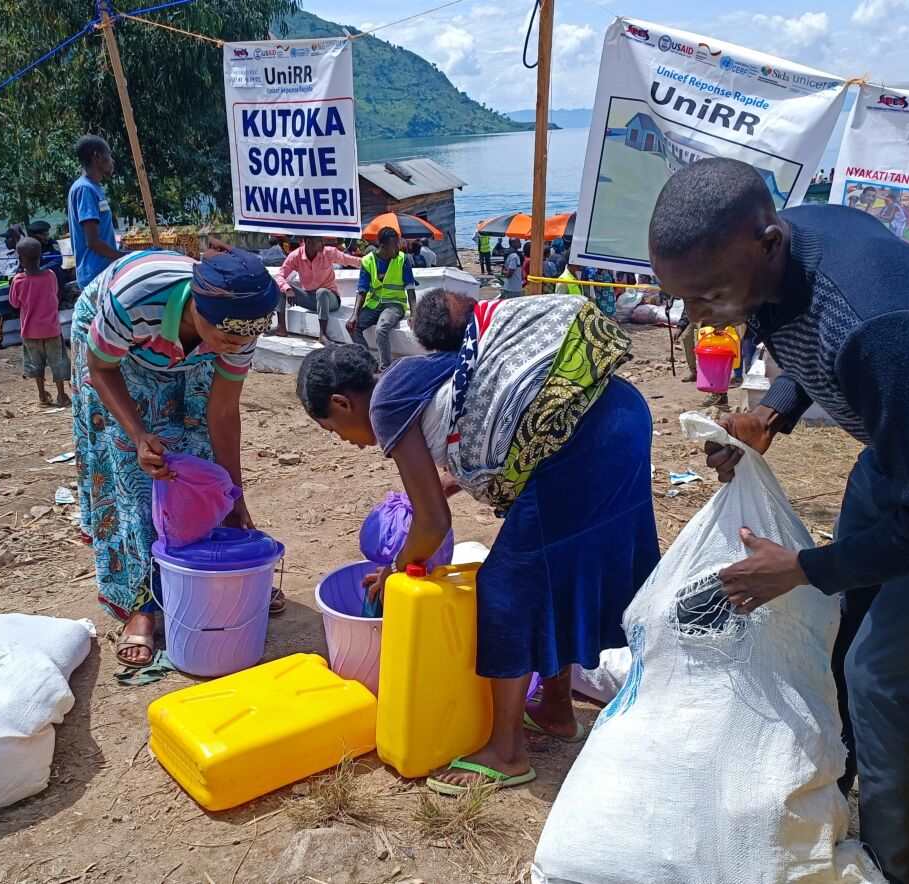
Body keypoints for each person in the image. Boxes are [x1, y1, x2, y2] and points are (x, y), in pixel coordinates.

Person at [648, 157, 909, 884]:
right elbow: (809, 336)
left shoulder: (878, 325)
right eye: (682, 300)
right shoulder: (796, 249)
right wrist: (771, 411)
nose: (701, 317)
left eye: (711, 295)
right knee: (843, 629)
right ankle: (839, 792)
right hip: (905, 447)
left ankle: (892, 861)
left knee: (881, 674)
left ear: (768, 242)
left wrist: (803, 568)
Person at [296, 289, 658, 796]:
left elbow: (432, 523)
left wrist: (399, 566)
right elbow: (484, 420)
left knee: (505, 587)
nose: (347, 441)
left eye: (334, 430)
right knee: (557, 572)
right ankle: (555, 709)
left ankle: (506, 753)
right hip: (618, 415)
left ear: (340, 403)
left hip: (584, 440)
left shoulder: (386, 405)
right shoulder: (427, 371)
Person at [72, 243, 283, 667]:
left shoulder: (236, 331)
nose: (237, 346)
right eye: (229, 337)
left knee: (198, 466)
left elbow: (222, 412)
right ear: (196, 312)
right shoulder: (135, 299)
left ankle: (217, 574)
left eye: (245, 340)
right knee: (139, 474)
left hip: (187, 352)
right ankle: (141, 605)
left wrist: (235, 496)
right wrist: (137, 435)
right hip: (117, 355)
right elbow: (101, 368)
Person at [9, 237, 68, 406]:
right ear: (41, 256)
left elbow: (14, 303)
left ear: (20, 259)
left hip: (30, 331)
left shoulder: (18, 280)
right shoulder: (50, 276)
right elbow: (55, 294)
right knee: (58, 361)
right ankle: (62, 395)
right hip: (51, 329)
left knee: (36, 364)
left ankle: (42, 395)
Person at [349, 228, 416, 370]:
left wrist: (414, 314)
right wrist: (354, 315)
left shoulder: (402, 259)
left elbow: (410, 289)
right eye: (394, 245)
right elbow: (362, 290)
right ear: (383, 246)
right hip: (374, 304)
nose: (398, 248)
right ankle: (369, 363)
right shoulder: (368, 261)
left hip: (395, 304)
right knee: (353, 327)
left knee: (381, 329)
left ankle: (385, 368)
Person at [275, 236, 360, 343]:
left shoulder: (329, 252)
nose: (322, 243)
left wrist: (372, 262)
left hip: (330, 299)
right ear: (308, 242)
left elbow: (350, 260)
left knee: (322, 292)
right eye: (319, 241)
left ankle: (322, 334)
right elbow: (280, 276)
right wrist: (287, 289)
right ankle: (281, 328)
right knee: (279, 288)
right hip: (310, 297)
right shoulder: (295, 256)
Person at [68, 135, 124, 292]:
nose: (112, 161)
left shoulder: (95, 188)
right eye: (109, 155)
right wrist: (123, 257)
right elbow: (92, 242)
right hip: (96, 275)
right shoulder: (85, 189)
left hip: (105, 271)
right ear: (97, 157)